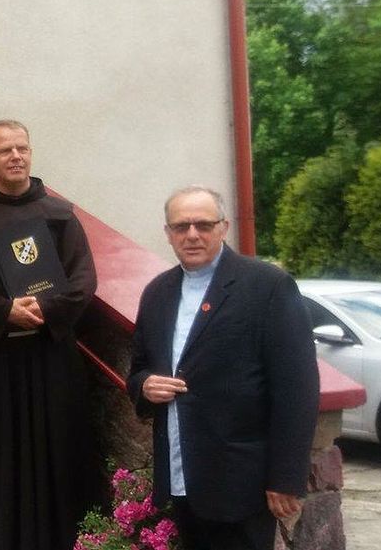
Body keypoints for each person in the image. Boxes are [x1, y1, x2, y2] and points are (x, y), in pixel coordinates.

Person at [127, 186, 320, 550]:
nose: (193, 235)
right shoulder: (157, 293)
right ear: (168, 233)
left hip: (241, 481)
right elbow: (138, 369)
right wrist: (145, 385)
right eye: (181, 226)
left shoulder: (267, 286)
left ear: (224, 227)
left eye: (203, 224)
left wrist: (286, 477)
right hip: (183, 475)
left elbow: (297, 389)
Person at [0, 120, 97, 550]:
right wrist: (4, 311)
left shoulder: (61, 216)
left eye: (22, 148)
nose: (16, 156)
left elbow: (83, 278)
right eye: (5, 150)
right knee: (3, 454)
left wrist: (45, 310)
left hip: (53, 353)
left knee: (58, 448)